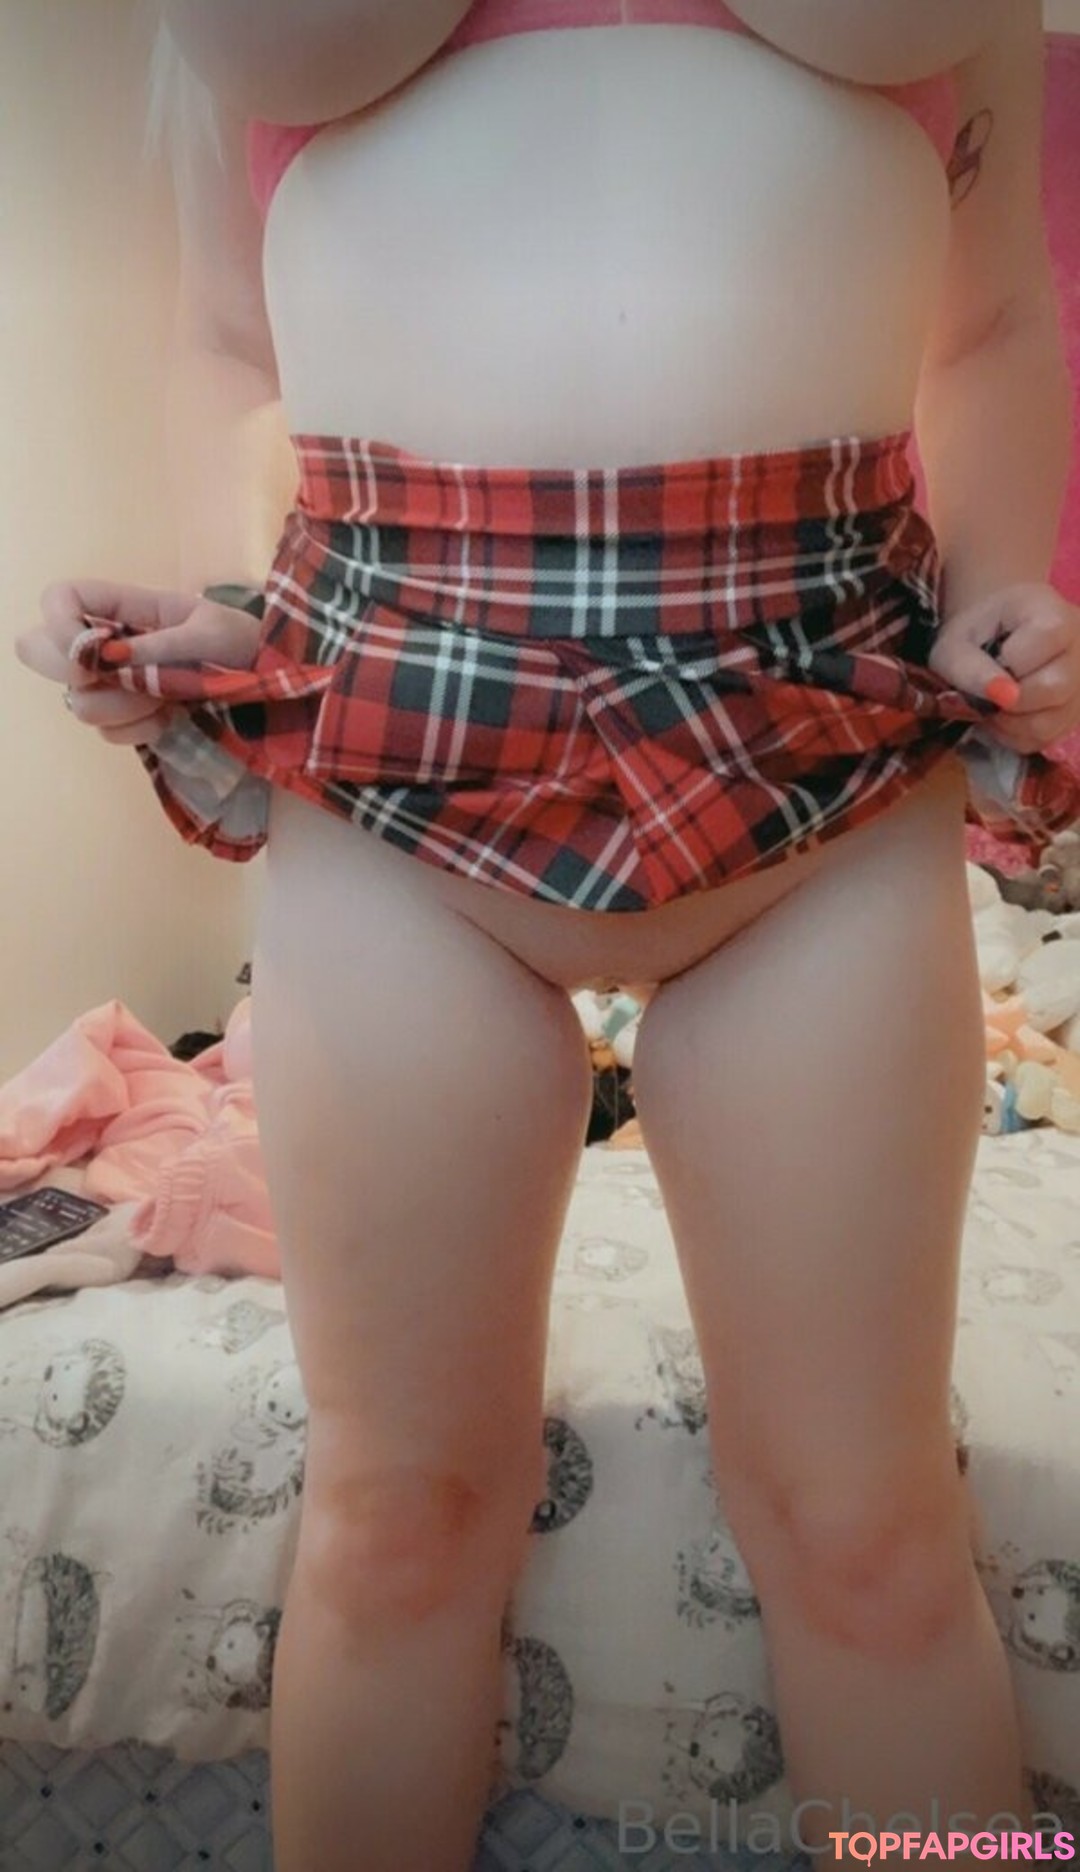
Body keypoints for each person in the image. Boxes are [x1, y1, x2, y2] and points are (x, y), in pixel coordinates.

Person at [15, 3, 1080, 1868]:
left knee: (870, 1532)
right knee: (395, 1515)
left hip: (821, 742)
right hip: (390, 744)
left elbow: (990, 316)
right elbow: (226, 335)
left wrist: (1005, 585)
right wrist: (217, 598)